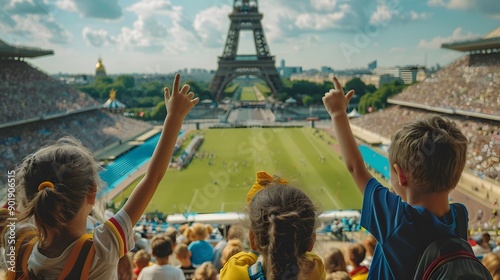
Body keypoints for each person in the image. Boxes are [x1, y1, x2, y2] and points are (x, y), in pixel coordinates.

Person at [2, 74, 199, 279]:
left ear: (28, 196)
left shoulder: (18, 243)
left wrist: (173, 118)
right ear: (91, 193)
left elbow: (153, 177)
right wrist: (175, 116)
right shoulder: (102, 248)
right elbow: (153, 177)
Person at [322, 76, 469, 279]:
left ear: (401, 175)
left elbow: (356, 168)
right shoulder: (460, 217)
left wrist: (338, 113)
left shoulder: (397, 220)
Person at [220, 171, 326, 279]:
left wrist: (255, 249)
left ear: (252, 239)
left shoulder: (235, 272)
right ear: (311, 242)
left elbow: (240, 263)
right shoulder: (315, 269)